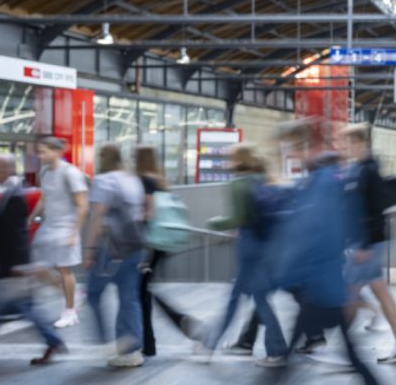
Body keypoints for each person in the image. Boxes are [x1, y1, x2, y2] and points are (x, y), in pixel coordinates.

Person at [219, 120, 396, 385]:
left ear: (306, 145)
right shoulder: (328, 180)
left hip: (320, 290)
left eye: (291, 148)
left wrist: (276, 277)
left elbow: (309, 238)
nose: (289, 155)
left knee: (288, 367)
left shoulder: (322, 183)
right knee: (353, 363)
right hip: (327, 287)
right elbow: (345, 230)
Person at [0, 156, 66, 376]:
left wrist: (18, 265)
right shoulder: (8, 194)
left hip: (12, 268)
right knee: (25, 310)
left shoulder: (14, 196)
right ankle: (53, 340)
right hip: (9, 267)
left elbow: (17, 234)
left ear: (8, 169)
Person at [203, 144, 288, 367]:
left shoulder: (238, 184)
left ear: (237, 160)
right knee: (251, 296)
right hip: (267, 244)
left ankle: (276, 349)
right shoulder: (263, 180)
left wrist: (214, 222)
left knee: (244, 297)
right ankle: (211, 344)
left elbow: (238, 219)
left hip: (249, 245)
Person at [338, 124, 396, 364]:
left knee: (350, 294)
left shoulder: (366, 171)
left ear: (360, 143)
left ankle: (344, 351)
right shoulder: (363, 168)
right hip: (370, 243)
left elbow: (370, 211)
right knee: (374, 292)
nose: (344, 147)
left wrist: (361, 245)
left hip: (368, 245)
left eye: (347, 143)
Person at [84, 143, 149, 368]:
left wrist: (90, 249)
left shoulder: (103, 181)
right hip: (134, 245)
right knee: (129, 297)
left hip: (110, 248)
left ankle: (105, 343)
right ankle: (131, 350)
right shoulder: (132, 180)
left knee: (93, 294)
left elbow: (96, 218)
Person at [134, 146, 204, 357]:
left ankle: (151, 342)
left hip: (151, 242)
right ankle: (170, 329)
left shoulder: (144, 180)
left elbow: (148, 213)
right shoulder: (160, 180)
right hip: (164, 242)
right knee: (145, 291)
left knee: (142, 292)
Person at [30, 136, 88, 328]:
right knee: (38, 266)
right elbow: (44, 198)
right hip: (50, 225)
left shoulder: (70, 173)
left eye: (44, 151)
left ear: (56, 152)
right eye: (39, 152)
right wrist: (30, 218)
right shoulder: (45, 171)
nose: (40, 155)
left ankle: (70, 311)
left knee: (64, 268)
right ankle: (75, 294)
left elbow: (82, 205)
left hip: (66, 225)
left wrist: (74, 233)